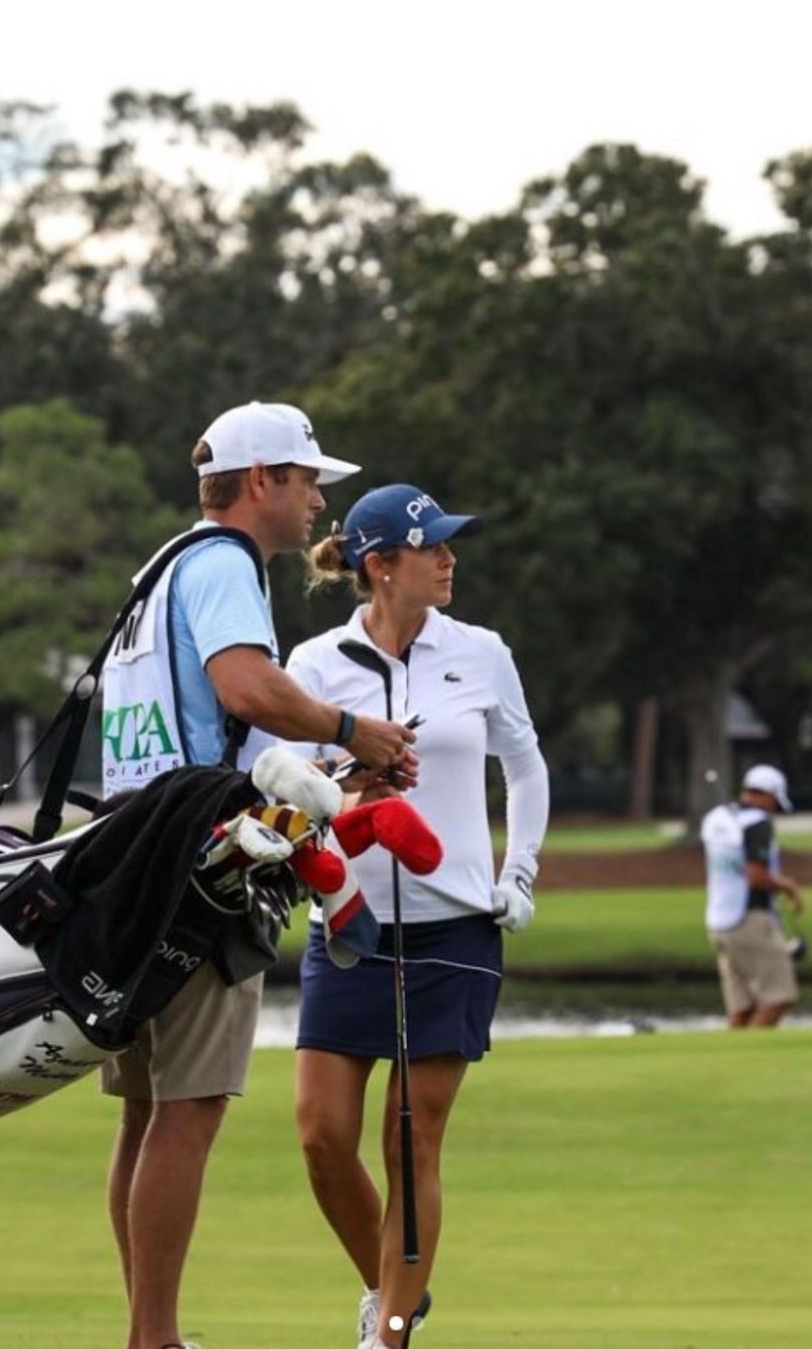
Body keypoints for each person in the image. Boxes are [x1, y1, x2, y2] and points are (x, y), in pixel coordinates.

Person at [100, 401, 416, 1349]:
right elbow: (244, 688)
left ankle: (147, 1332)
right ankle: (155, 1340)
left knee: (147, 1111)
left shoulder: (159, 569)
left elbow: (213, 728)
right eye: (309, 477)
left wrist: (325, 780)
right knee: (187, 1109)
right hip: (194, 862)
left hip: (129, 846)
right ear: (262, 481)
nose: (319, 497)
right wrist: (351, 729)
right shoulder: (226, 566)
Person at [285, 482, 549, 1349]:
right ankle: (394, 1285)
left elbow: (526, 763)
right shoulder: (315, 665)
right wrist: (348, 782)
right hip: (349, 922)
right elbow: (285, 797)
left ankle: (388, 1334)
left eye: (448, 544)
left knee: (413, 1140)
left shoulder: (482, 651)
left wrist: (520, 870)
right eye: (430, 546)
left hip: (457, 928)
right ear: (378, 566)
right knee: (322, 1135)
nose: (449, 558)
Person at [701, 764, 805, 1029]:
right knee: (779, 998)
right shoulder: (757, 824)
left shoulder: (716, 818)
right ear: (768, 794)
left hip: (718, 923)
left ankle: (729, 1063)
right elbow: (756, 877)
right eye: (775, 803)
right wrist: (788, 886)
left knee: (742, 1009)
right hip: (749, 919)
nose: (774, 811)